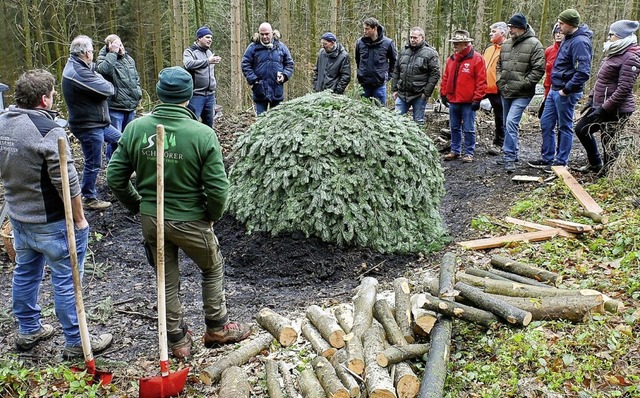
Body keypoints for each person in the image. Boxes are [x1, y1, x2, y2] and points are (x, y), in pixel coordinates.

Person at [107, 67, 251, 359]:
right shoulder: (202, 134)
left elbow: (114, 176)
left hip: (153, 219)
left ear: (160, 93)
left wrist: (137, 205)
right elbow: (219, 189)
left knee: (166, 276)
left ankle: (176, 340)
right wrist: (211, 215)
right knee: (211, 266)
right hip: (190, 219)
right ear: (188, 96)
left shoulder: (136, 127)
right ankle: (217, 327)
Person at [0, 69, 112, 359]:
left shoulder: (2, 123)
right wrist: (79, 218)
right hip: (51, 222)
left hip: (19, 218)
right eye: (51, 94)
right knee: (66, 279)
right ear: (44, 99)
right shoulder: (48, 130)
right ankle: (76, 341)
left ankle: (28, 329)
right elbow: (67, 180)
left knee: (25, 273)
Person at [62, 35, 121, 210]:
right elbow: (108, 89)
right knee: (93, 162)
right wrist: (103, 81)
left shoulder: (80, 65)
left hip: (98, 123)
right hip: (88, 126)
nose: (93, 54)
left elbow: (99, 71)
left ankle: (118, 176)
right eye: (92, 51)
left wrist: (109, 52)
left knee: (123, 141)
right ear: (87, 53)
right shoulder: (78, 72)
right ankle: (88, 197)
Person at [530, 9, 593, 170]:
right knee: (546, 123)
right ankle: (547, 158)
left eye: (561, 23)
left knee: (564, 126)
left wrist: (566, 89)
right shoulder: (568, 38)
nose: (558, 26)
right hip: (554, 89)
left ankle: (561, 161)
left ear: (570, 24)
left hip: (566, 92)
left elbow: (583, 72)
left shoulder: (580, 42)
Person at [575, 20, 640, 174]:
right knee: (582, 129)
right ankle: (595, 163)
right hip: (601, 105)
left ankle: (609, 174)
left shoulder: (631, 57)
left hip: (618, 109)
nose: (608, 36)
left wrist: (604, 109)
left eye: (612, 34)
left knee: (608, 140)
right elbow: (601, 80)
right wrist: (591, 100)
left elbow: (624, 89)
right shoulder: (613, 52)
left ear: (621, 36)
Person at [496, 13, 545, 173]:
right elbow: (499, 65)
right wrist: (499, 81)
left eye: (513, 27)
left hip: (523, 93)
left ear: (522, 28)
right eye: (509, 27)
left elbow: (539, 69)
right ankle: (512, 153)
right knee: (506, 123)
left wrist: (524, 84)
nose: (510, 30)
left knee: (511, 122)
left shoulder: (535, 44)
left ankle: (509, 157)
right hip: (506, 90)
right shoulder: (506, 44)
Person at [440, 30, 487, 162]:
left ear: (466, 44)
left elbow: (481, 81)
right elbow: (445, 77)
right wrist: (443, 94)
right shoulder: (451, 59)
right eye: (454, 43)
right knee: (454, 127)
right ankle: (455, 150)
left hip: (468, 101)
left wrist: (477, 99)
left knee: (468, 128)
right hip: (453, 100)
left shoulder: (477, 59)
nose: (454, 45)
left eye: (457, 43)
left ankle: (469, 152)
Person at [391, 26, 440, 127]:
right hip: (402, 93)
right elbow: (396, 71)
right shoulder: (404, 52)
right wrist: (394, 89)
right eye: (411, 37)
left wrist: (426, 93)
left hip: (419, 94)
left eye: (415, 38)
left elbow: (435, 74)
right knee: (396, 121)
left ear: (422, 37)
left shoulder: (430, 53)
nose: (412, 40)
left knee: (418, 122)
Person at [241, 22, 294, 115]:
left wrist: (285, 75)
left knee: (276, 122)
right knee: (261, 121)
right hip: (260, 91)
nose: (265, 37)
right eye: (262, 34)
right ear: (259, 33)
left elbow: (289, 64)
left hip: (277, 91)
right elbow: (245, 64)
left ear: (272, 33)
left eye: (267, 34)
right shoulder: (253, 47)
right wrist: (254, 80)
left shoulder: (281, 47)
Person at [96, 34, 142, 133]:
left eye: (121, 45)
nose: (120, 48)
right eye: (117, 45)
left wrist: (138, 93)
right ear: (109, 46)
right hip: (115, 108)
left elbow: (136, 78)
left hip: (131, 107)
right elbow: (105, 71)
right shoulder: (103, 59)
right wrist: (113, 52)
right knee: (115, 141)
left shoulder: (128, 59)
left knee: (129, 140)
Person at [355, 17, 397, 106]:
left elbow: (394, 61)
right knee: (364, 112)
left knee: (381, 110)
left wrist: (387, 76)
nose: (364, 31)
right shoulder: (360, 43)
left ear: (374, 29)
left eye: (367, 29)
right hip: (364, 84)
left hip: (379, 84)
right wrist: (360, 73)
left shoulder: (388, 43)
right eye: (364, 28)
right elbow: (358, 60)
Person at [183, 26, 219, 128]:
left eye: (211, 38)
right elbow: (188, 64)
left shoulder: (209, 52)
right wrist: (208, 61)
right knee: (192, 124)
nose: (210, 40)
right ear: (199, 38)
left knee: (209, 124)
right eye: (207, 37)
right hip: (196, 95)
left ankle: (208, 143)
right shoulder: (190, 51)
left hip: (210, 95)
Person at [483, 22, 508, 155]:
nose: (490, 34)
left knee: (500, 116)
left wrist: (502, 85)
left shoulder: (508, 49)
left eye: (493, 31)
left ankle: (500, 143)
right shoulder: (489, 49)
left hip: (499, 89)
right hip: (484, 87)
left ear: (502, 33)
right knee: (467, 104)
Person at [543, 23, 564, 99]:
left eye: (560, 33)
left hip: (562, 91)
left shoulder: (569, 50)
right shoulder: (548, 50)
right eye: (556, 32)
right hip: (548, 89)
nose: (558, 35)